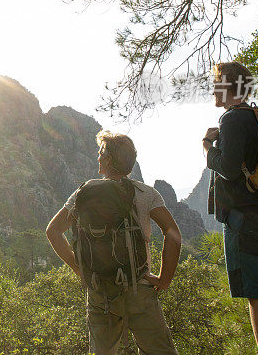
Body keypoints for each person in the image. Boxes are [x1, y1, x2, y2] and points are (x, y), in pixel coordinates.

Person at [46, 131, 181, 355]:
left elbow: (53, 231)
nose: (98, 157)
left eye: (101, 153)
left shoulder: (84, 193)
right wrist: (164, 279)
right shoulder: (146, 193)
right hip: (140, 286)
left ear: (108, 159)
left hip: (100, 291)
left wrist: (79, 268)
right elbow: (172, 233)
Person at [203, 61, 258, 355]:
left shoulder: (232, 119)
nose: (213, 88)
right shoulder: (257, 117)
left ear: (229, 86)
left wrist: (207, 147)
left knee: (257, 294)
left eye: (216, 82)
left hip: (245, 221)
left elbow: (228, 169)